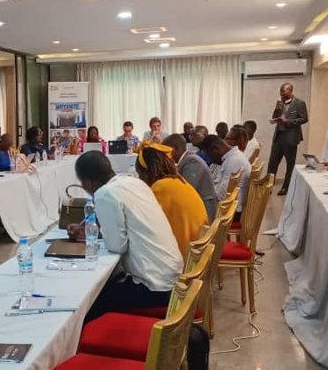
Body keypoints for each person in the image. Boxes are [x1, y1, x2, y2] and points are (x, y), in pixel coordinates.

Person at [69, 151, 181, 320]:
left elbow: (117, 246)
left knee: (87, 304)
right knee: (107, 286)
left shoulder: (105, 193)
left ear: (87, 182)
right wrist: (89, 232)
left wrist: (96, 234)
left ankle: (97, 335)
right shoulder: (135, 182)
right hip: (172, 277)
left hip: (153, 287)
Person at [135, 142, 208, 256]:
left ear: (146, 171)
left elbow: (147, 225)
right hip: (196, 250)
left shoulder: (161, 187)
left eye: (139, 174)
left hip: (185, 255)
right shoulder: (178, 181)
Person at [163, 134, 219, 222]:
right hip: (199, 206)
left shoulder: (191, 162)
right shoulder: (187, 159)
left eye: (165, 152)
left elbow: (187, 189)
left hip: (205, 211)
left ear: (174, 149)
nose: (165, 156)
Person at [267, 82, 309, 195]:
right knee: (272, 162)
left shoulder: (299, 103)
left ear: (290, 91)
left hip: (291, 137)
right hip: (279, 136)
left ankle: (286, 188)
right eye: (280, 91)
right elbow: (274, 117)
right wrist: (277, 109)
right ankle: (267, 187)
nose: (281, 93)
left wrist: (288, 122)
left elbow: (304, 118)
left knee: (290, 164)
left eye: (283, 91)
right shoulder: (280, 103)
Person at [201, 135, 251, 218]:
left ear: (216, 149)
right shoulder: (234, 156)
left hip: (232, 212)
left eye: (210, 156)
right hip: (231, 207)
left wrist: (204, 193)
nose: (211, 160)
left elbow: (222, 196)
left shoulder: (233, 161)